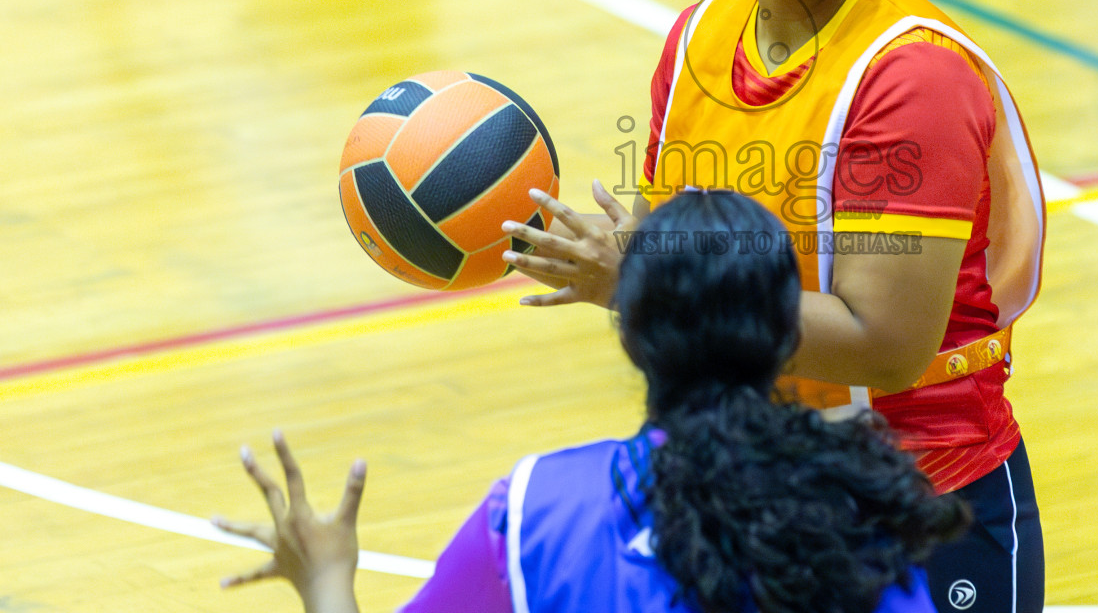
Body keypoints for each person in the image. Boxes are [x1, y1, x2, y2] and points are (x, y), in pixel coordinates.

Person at [503, 0, 1048, 613]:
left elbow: (887, 343)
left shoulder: (913, 78)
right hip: (748, 490)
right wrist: (627, 261)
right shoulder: (699, 38)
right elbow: (688, 278)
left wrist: (639, 279)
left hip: (918, 503)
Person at [214, 191, 969, 613]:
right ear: (786, 336)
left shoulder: (540, 510)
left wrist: (325, 580)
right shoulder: (864, 509)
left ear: (631, 333)